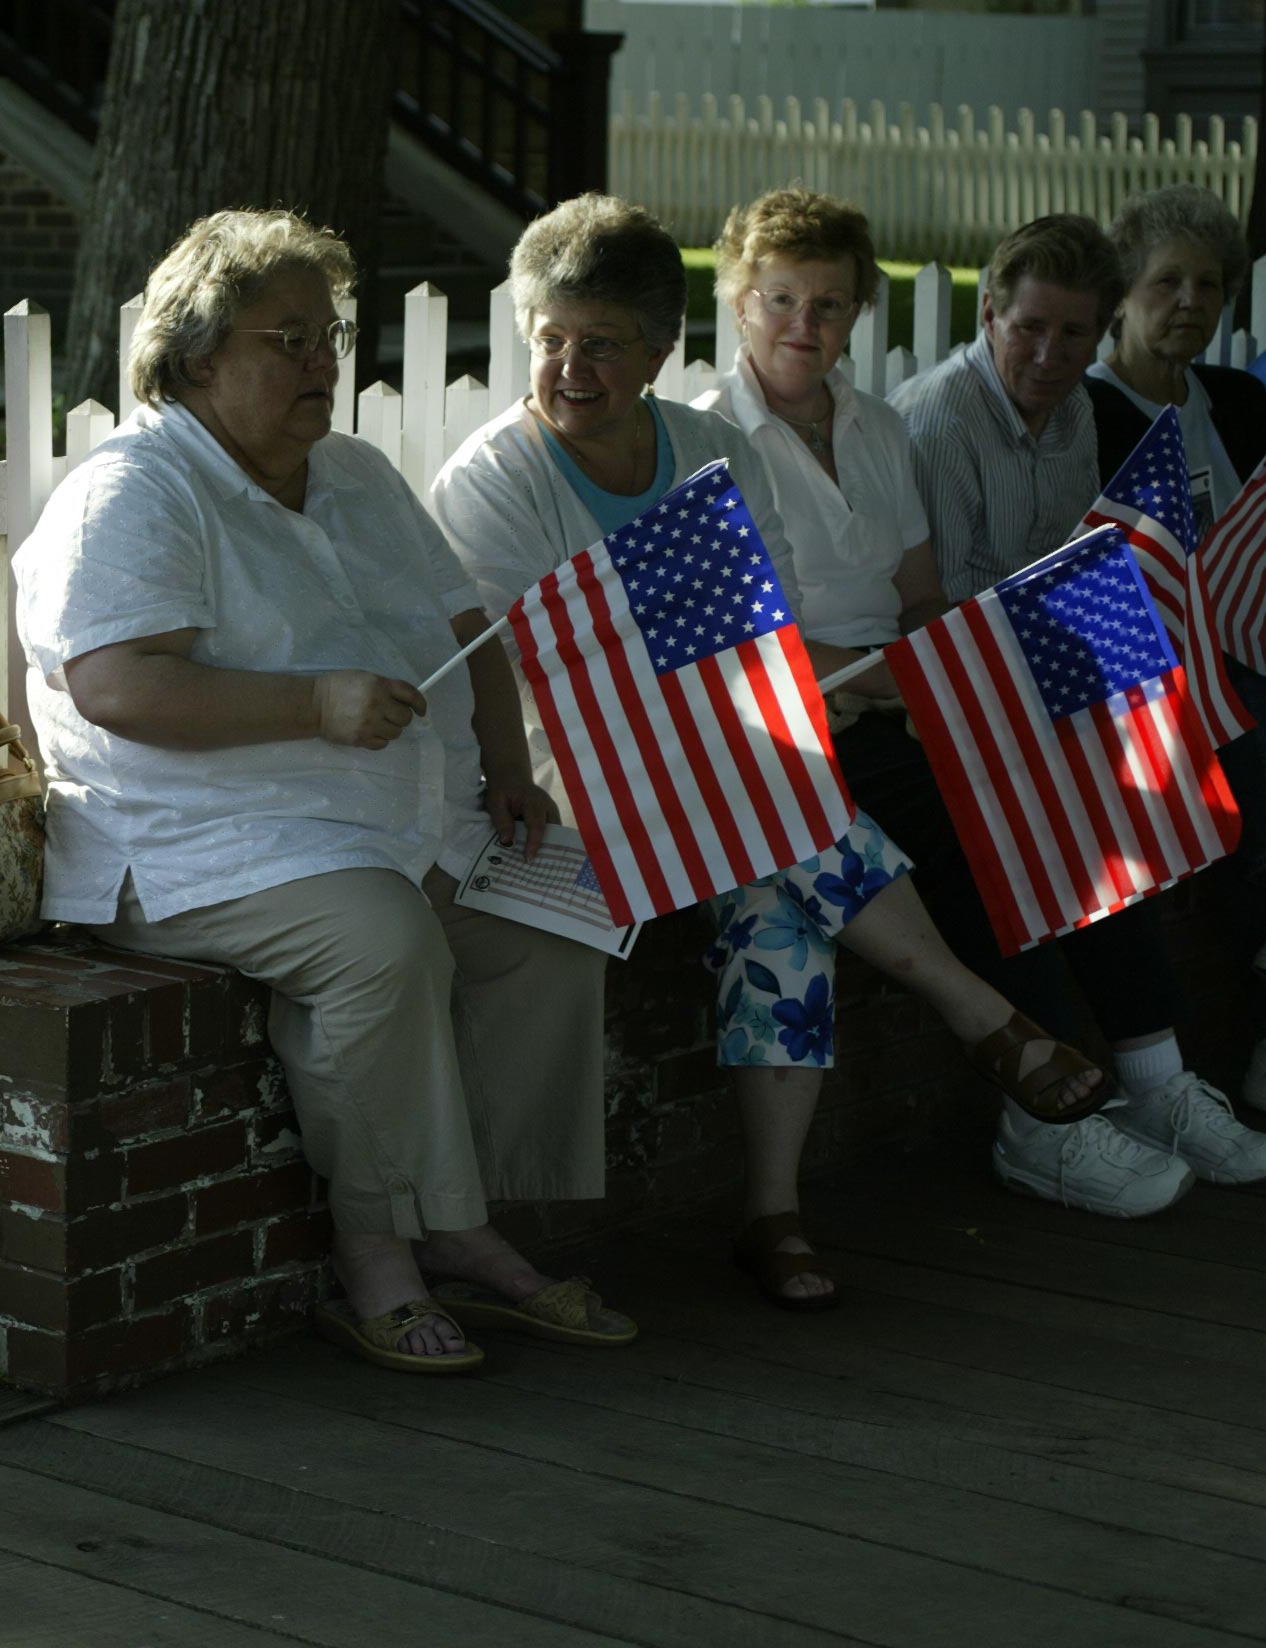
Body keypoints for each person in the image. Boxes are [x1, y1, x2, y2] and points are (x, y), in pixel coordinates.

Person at [432, 193, 1102, 1311]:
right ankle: (973, 1010)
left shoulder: (708, 452)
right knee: (768, 813)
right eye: (549, 338)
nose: (569, 368)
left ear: (655, 351)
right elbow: (529, 674)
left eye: (601, 344)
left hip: (716, 766)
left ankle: (771, 1209)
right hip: (564, 775)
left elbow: (759, 634)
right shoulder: (497, 478)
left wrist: (713, 705)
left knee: (774, 885)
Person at [14, 206, 634, 1375]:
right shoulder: (137, 491)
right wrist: (313, 704)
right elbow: (118, 686)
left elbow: (473, 631)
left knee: (548, 922)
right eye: (284, 339)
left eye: (327, 333)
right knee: (379, 943)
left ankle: (473, 1215)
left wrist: (507, 767)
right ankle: (382, 1258)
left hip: (374, 818)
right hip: (194, 842)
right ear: (196, 357)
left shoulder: (348, 472)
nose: (320, 362)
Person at [892, 212, 1266, 1213]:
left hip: (1017, 675)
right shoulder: (943, 417)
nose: (1047, 354)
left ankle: (1154, 1084)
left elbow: (1065, 572)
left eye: (1072, 335)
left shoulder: (1071, 416)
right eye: (1027, 329)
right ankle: (1047, 1119)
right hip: (926, 687)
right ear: (989, 315)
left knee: (1114, 803)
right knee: (1031, 816)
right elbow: (936, 614)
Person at [1083, 185, 1266, 1125]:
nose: (1190, 303)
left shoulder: (1241, 400)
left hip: (1247, 648)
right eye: (1167, 281)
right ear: (1122, 292)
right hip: (1155, 669)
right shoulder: (1088, 412)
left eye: (1209, 285)